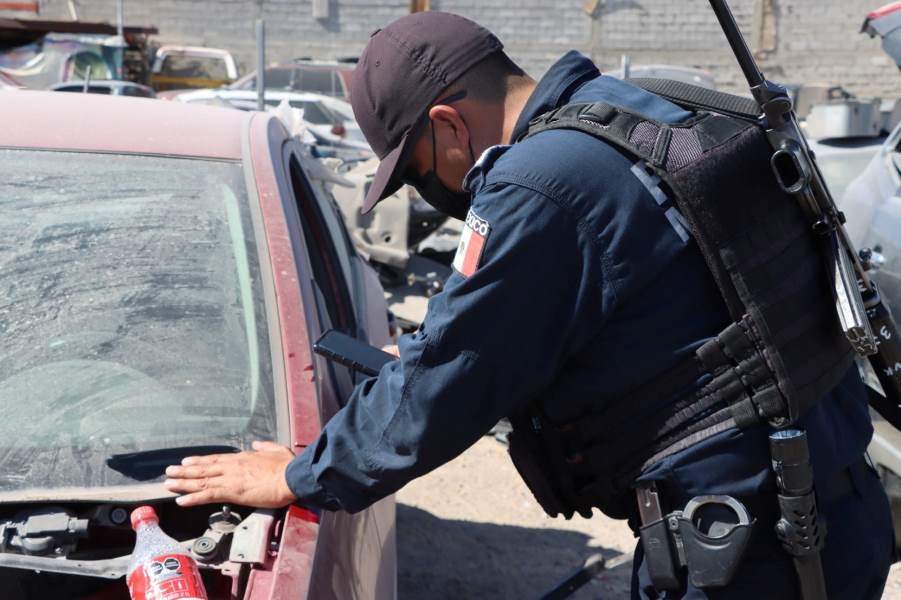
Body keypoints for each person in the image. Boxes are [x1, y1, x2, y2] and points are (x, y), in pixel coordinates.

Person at [165, 12, 894, 598]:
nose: (431, 194)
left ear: (449, 125)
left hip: (743, 553)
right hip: (835, 512)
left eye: (418, 172)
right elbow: (671, 306)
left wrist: (296, 475)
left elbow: (452, 381)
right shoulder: (650, 113)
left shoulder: (539, 182)